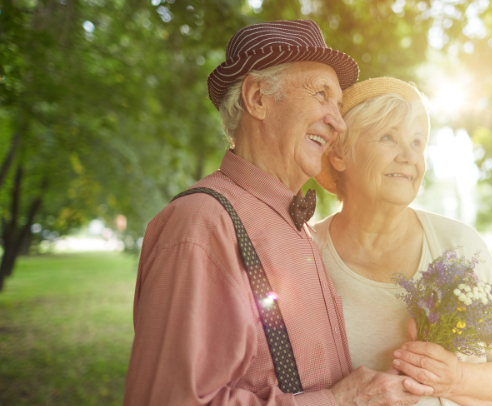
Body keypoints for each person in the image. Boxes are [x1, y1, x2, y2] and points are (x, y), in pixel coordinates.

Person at [123, 22, 434, 406]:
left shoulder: (297, 227)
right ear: (257, 98)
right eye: (322, 95)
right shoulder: (202, 225)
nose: (337, 122)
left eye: (338, 105)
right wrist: (339, 402)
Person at [312, 77, 492, 406]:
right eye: (387, 138)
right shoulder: (306, 252)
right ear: (338, 155)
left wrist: (457, 378)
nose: (408, 156)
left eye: (417, 143)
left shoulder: (459, 245)